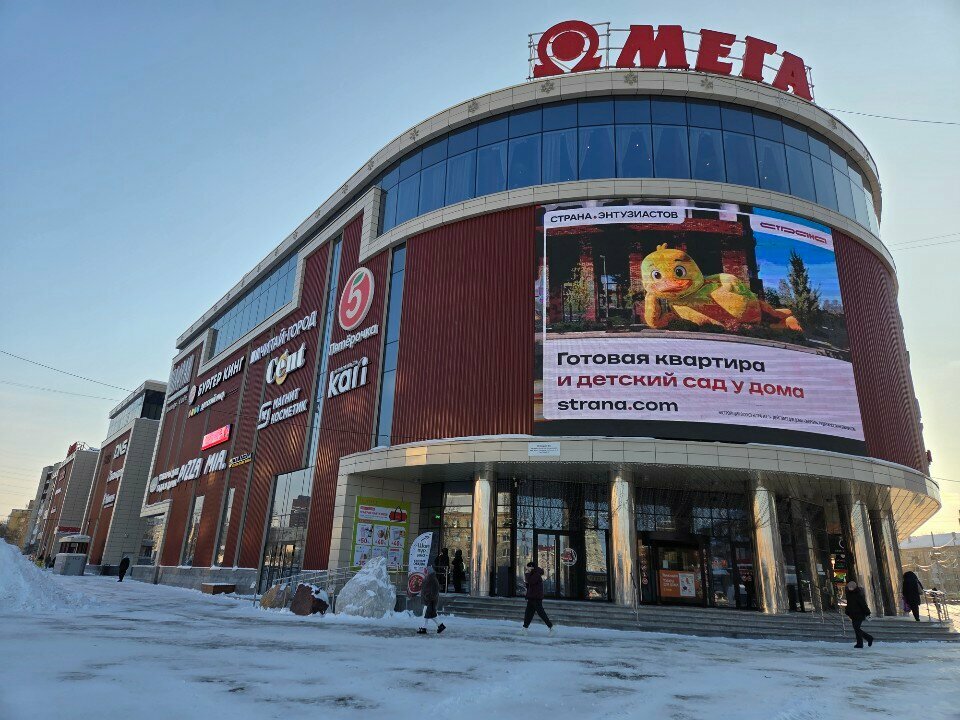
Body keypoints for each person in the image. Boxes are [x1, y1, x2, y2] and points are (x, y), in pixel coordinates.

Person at [520, 561, 554, 635]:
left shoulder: (536, 574)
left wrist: (527, 574)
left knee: (541, 613)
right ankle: (524, 629)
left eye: (528, 567)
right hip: (531, 597)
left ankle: (551, 628)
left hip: (536, 597)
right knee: (528, 613)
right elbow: (529, 585)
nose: (527, 569)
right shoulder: (533, 574)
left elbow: (531, 581)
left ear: (532, 567)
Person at [844, 580, 874, 649]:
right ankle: (861, 642)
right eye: (849, 587)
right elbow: (849, 605)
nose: (850, 588)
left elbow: (863, 604)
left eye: (851, 587)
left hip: (859, 614)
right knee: (856, 629)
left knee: (857, 628)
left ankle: (867, 639)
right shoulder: (849, 594)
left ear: (854, 587)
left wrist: (867, 612)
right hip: (853, 615)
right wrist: (847, 611)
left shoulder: (858, 594)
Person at [417, 566, 446, 635]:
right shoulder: (428, 578)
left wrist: (428, 597)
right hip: (428, 600)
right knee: (429, 614)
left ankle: (424, 628)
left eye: (426, 571)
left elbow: (435, 591)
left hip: (430, 601)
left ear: (429, 572)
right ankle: (439, 626)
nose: (424, 572)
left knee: (427, 614)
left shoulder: (433, 580)